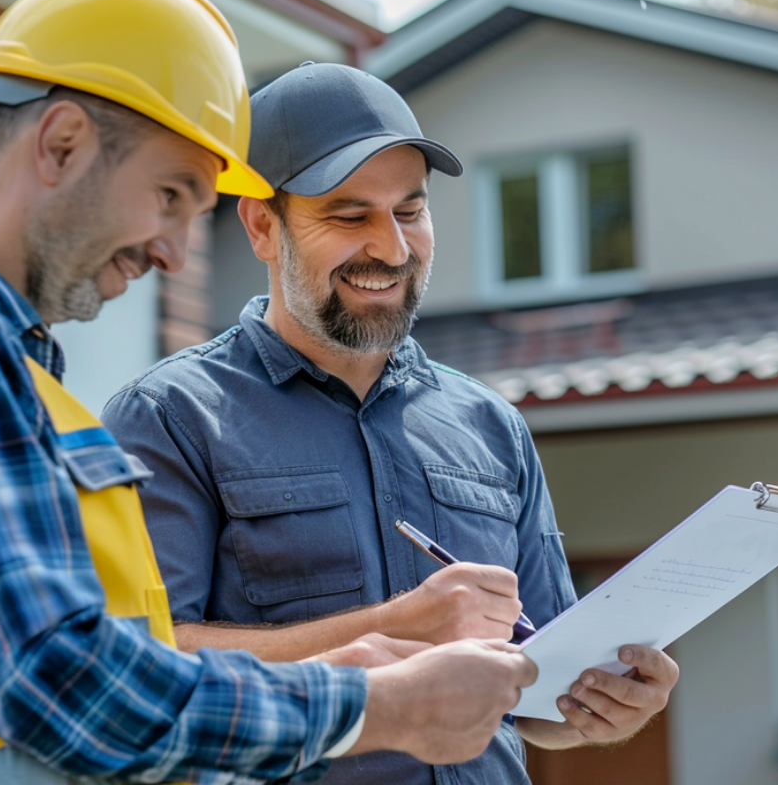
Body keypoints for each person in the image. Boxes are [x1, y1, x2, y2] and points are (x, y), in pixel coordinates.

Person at [0, 0, 536, 784]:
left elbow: (92, 664)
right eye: (170, 196)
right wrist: (374, 705)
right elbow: (61, 684)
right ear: (60, 143)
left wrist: (350, 674)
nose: (172, 250)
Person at [102, 62, 680, 785]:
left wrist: (600, 704)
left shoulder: (491, 425)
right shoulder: (170, 417)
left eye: (410, 212)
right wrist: (399, 623)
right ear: (261, 226)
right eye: (350, 216)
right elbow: (140, 670)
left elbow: (537, 688)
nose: (392, 249)